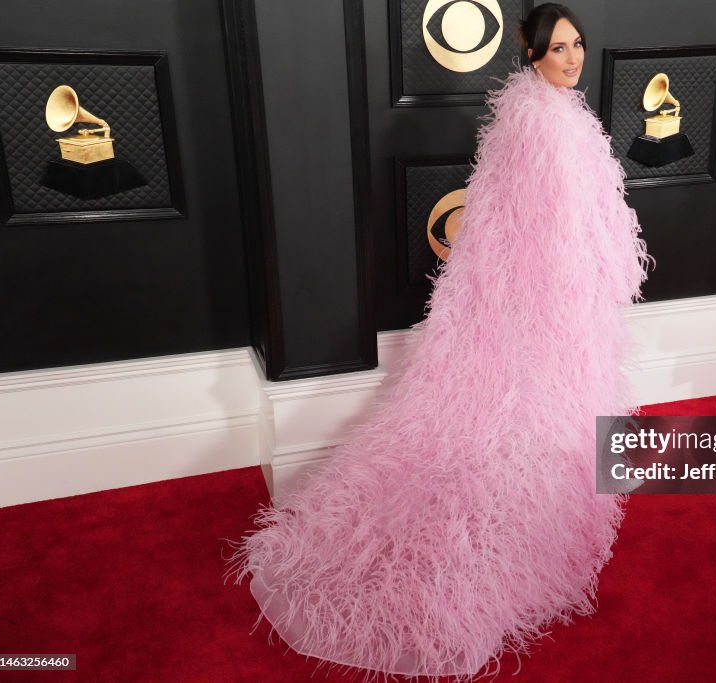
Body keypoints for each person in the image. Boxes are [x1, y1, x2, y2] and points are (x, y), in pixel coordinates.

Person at [229, 3, 651, 679]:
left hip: (549, 299)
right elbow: (541, 227)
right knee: (533, 420)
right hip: (550, 301)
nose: (572, 59)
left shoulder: (549, 119)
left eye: (578, 45)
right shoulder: (542, 125)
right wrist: (579, 286)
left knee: (542, 415)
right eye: (558, 48)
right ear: (530, 52)